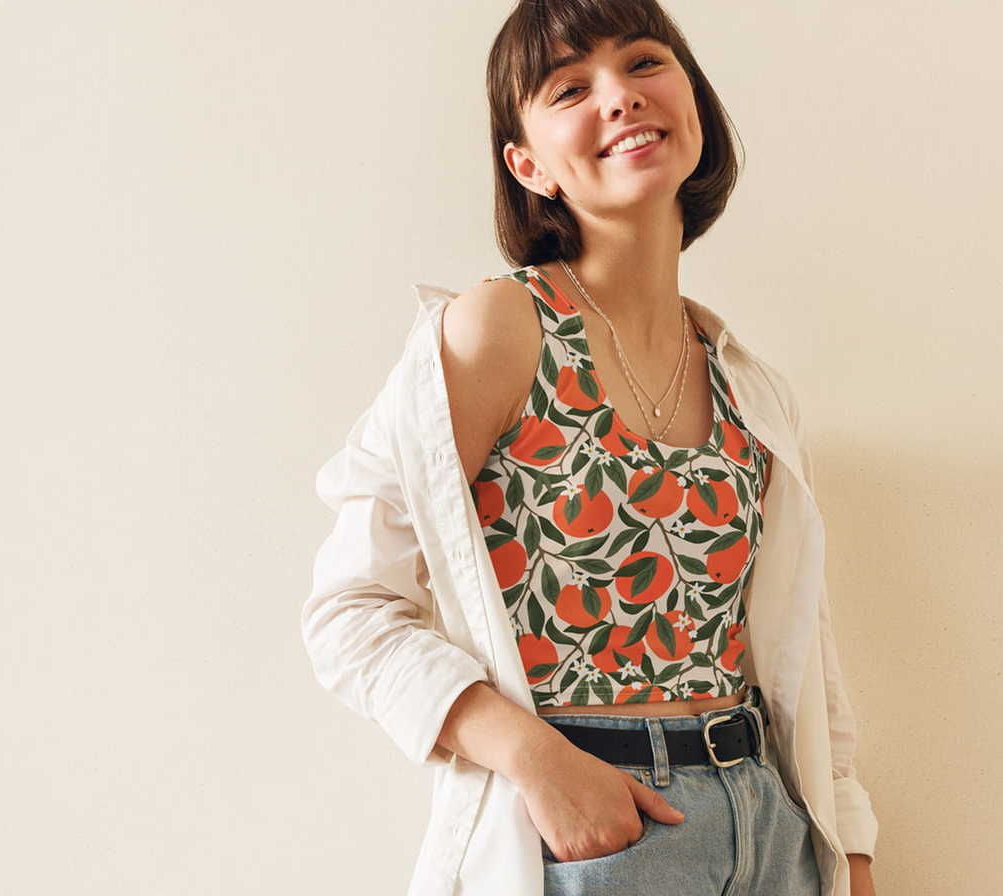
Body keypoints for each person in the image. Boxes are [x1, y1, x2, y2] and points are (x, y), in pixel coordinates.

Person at [302, 2, 878, 894]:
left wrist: (853, 853)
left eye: (645, 63)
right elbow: (350, 610)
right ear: (527, 165)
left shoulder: (749, 387)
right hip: (598, 833)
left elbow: (808, 661)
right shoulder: (497, 329)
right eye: (570, 86)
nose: (620, 97)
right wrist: (539, 762)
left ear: (692, 101)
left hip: (774, 831)